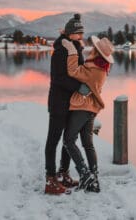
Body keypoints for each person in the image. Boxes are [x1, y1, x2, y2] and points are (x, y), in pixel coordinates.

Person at [45, 13, 91, 195]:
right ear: (70, 33)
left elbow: (78, 70)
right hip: (58, 102)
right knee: (53, 140)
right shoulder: (61, 50)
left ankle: (63, 173)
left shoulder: (73, 47)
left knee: (68, 139)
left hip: (71, 101)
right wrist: (80, 87)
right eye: (78, 33)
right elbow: (59, 78)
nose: (81, 36)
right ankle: (50, 180)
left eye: (82, 33)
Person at [62, 35, 114, 193]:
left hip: (82, 108)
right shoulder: (102, 68)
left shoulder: (93, 68)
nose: (91, 49)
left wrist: (72, 51)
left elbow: (73, 71)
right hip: (91, 109)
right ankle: (94, 180)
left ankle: (84, 173)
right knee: (88, 144)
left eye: (94, 48)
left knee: (68, 140)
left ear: (97, 52)